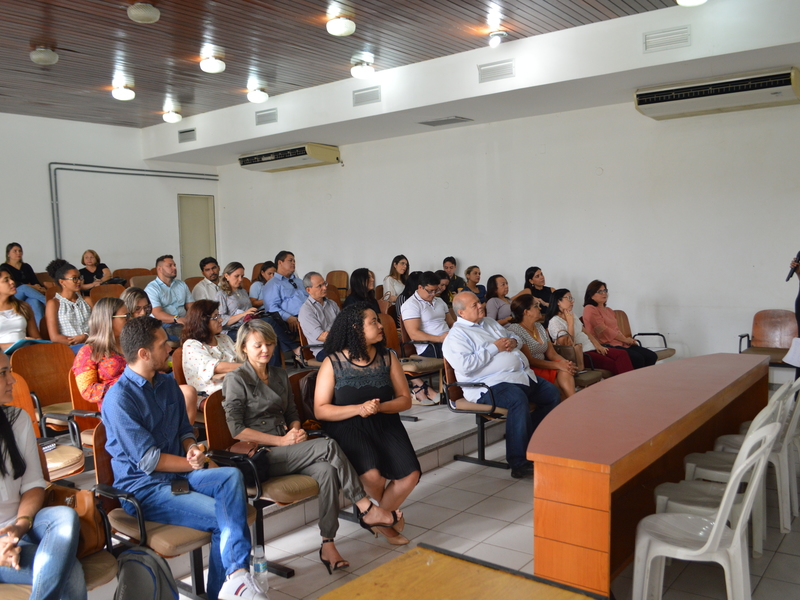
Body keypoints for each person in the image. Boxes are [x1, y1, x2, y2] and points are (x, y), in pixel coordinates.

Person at [102, 316, 267, 600]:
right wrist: (193, 461)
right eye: (163, 344)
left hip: (181, 475)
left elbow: (183, 431)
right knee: (222, 517)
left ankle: (234, 580)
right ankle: (231, 584)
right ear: (143, 354)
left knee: (230, 475)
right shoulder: (119, 400)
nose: (170, 348)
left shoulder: (167, 384)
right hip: (146, 490)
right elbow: (149, 461)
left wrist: (191, 447)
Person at [222, 319, 402, 572]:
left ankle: (328, 543)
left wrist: (295, 430)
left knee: (328, 472)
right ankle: (366, 507)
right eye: (258, 345)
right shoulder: (236, 379)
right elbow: (236, 429)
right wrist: (282, 440)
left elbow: (292, 412)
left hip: (287, 446)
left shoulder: (278, 374)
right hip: (262, 454)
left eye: (270, 344)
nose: (265, 349)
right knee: (328, 446)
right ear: (243, 349)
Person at [314, 304, 420, 545]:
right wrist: (359, 409)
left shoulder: (388, 357)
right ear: (355, 328)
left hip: (384, 421)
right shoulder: (333, 362)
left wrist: (379, 407)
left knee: (410, 474)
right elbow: (321, 409)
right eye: (374, 322)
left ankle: (376, 518)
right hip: (347, 425)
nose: (381, 326)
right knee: (372, 476)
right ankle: (386, 521)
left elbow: (405, 400)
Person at [443, 291, 561, 478]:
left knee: (552, 394)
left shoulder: (489, 323)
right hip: (487, 385)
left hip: (519, 376)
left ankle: (532, 444)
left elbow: (517, 338)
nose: (480, 305)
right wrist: (494, 347)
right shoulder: (456, 336)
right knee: (517, 400)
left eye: (479, 302)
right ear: (461, 313)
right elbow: (465, 366)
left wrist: (514, 341)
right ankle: (518, 463)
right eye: (474, 305)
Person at [0, 351, 87, 599]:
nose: (12, 380)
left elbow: (33, 485)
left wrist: (20, 525)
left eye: (10, 371)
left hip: (21, 526)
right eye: (3, 373)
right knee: (71, 574)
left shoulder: (17, 420)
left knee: (64, 516)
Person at [545, 288, 633, 376]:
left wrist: (598, 345)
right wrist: (570, 324)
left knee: (622, 354)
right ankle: (624, 385)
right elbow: (568, 344)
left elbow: (586, 332)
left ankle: (630, 384)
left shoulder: (571, 314)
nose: (572, 302)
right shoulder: (554, 321)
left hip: (591, 347)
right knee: (613, 364)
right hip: (581, 354)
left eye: (572, 299)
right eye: (569, 298)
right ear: (558, 302)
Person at [506, 294, 577, 399]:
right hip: (530, 369)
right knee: (560, 381)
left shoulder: (539, 327)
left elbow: (551, 353)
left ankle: (571, 406)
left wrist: (566, 364)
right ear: (526, 312)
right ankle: (573, 406)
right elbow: (530, 360)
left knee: (565, 371)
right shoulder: (516, 329)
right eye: (536, 306)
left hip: (546, 365)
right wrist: (558, 365)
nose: (540, 308)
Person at [181, 300, 240, 423]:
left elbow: (241, 359)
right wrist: (249, 367)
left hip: (233, 384)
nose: (220, 320)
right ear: (202, 321)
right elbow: (216, 367)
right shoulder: (192, 344)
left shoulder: (224, 338)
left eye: (219, 316)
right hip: (210, 393)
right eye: (216, 317)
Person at [582, 280, 658, 370]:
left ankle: (646, 380)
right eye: (600, 291)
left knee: (651, 356)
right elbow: (603, 330)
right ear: (591, 295)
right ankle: (636, 381)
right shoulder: (590, 308)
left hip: (620, 343)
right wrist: (625, 339)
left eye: (605, 290)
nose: (604, 293)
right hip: (606, 345)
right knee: (637, 358)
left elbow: (616, 329)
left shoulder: (609, 310)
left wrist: (627, 340)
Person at [72, 297, 128, 407]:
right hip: (116, 407)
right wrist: (124, 387)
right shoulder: (89, 352)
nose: (129, 320)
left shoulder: (133, 344)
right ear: (108, 320)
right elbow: (87, 390)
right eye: (125, 317)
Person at [400, 271, 453, 358]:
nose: (433, 294)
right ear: (420, 287)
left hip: (447, 340)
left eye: (435, 291)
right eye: (430, 291)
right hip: (430, 345)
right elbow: (414, 334)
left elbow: (451, 323)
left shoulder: (439, 301)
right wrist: (439, 338)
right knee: (462, 353)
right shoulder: (411, 304)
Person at [45, 259, 92, 351]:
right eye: (74, 278)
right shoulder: (54, 304)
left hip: (91, 344)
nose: (79, 281)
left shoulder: (87, 300)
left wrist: (86, 337)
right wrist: (77, 341)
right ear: (62, 282)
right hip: (68, 348)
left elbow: (100, 326)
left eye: (80, 277)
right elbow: (55, 337)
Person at [144, 254, 194, 341]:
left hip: (183, 321)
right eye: (170, 265)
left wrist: (193, 319)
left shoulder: (181, 284)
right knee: (188, 334)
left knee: (206, 328)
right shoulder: (152, 289)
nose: (174, 268)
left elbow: (191, 306)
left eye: (174, 265)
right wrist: (177, 318)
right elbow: (157, 313)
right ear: (159, 268)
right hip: (163, 323)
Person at [298, 272, 340, 361]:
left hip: (338, 343)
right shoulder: (306, 310)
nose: (325, 288)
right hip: (323, 349)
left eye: (325, 283)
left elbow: (344, 325)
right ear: (308, 290)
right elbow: (322, 337)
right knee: (348, 356)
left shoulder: (332, 304)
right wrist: (343, 334)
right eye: (319, 286)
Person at [1, 243, 45, 325]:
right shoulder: (4, 267)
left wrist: (39, 287)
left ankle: (40, 331)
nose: (18, 253)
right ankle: (48, 302)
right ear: (8, 254)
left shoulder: (26, 266)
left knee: (34, 301)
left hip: (29, 295)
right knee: (24, 287)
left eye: (20, 251)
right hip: (14, 295)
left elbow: (34, 281)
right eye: (15, 251)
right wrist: (31, 287)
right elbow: (14, 283)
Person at [0, 267, 40, 352]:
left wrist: (31, 341)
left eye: (11, 278)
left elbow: (37, 337)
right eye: (6, 280)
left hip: (23, 352)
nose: (12, 282)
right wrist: (14, 345)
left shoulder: (23, 306)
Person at [215, 262, 258, 339]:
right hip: (231, 329)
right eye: (236, 276)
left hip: (247, 325)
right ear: (226, 276)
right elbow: (221, 319)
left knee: (267, 326)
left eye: (242, 276)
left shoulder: (243, 291)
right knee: (253, 336)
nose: (240, 279)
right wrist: (243, 314)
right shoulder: (221, 294)